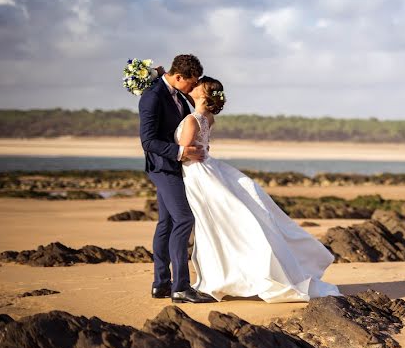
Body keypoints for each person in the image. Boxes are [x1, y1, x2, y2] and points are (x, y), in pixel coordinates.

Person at [174, 76, 340, 303]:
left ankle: (223, 277)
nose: (192, 87)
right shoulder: (208, 119)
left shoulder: (193, 120)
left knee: (212, 225)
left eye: (197, 86)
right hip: (209, 168)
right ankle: (226, 276)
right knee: (220, 222)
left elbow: (186, 151)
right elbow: (205, 147)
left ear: (203, 94)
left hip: (198, 173)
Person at [138, 54, 214, 303]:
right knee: (184, 219)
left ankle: (161, 284)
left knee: (167, 223)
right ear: (179, 77)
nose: (193, 88)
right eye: (191, 83)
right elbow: (147, 141)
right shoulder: (152, 97)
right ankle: (180, 287)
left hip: (176, 167)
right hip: (162, 167)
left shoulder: (176, 90)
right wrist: (183, 152)